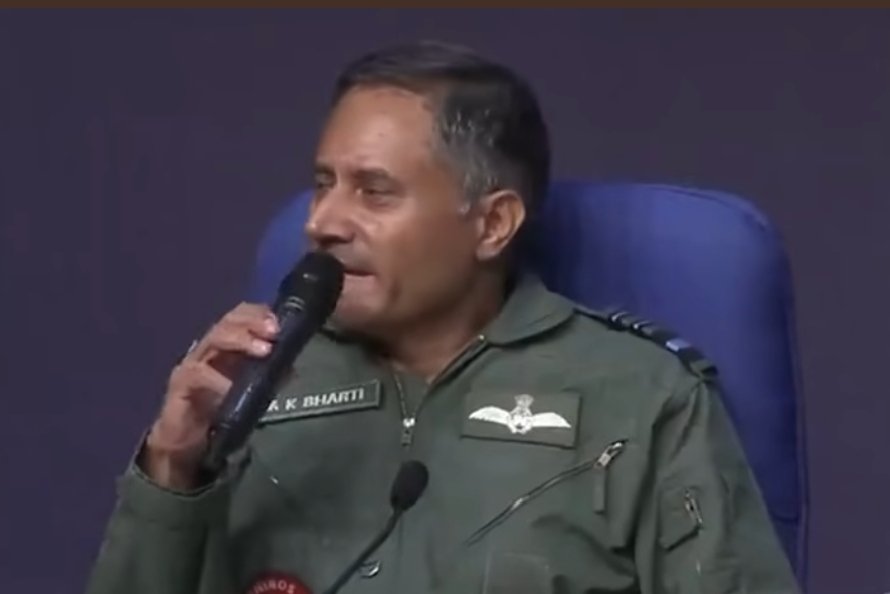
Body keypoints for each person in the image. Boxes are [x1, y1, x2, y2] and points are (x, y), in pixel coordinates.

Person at [86, 40, 799, 594]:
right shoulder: (253, 384)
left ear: (492, 225)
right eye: (324, 183)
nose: (322, 221)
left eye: (374, 191)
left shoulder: (642, 399)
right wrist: (173, 469)